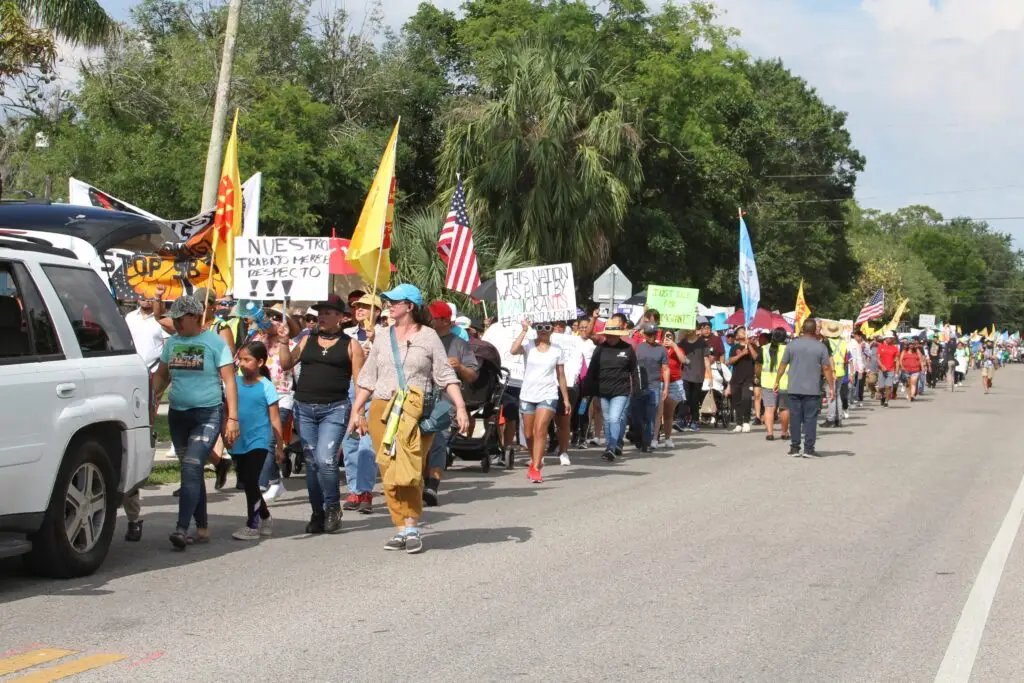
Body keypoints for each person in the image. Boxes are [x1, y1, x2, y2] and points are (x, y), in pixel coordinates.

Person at [349, 284, 469, 554]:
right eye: (387, 301)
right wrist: (356, 410)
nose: (388, 305)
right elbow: (368, 378)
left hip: (415, 412)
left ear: (410, 306)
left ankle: (412, 526)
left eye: (394, 301)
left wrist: (460, 407)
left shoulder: (428, 337)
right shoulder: (382, 336)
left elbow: (445, 376)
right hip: (382, 409)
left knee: (411, 472)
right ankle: (400, 529)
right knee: (389, 472)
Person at [150, 294, 239, 549]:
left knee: (191, 465)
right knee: (192, 469)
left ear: (194, 317)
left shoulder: (214, 342)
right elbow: (162, 376)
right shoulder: (173, 343)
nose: (176, 324)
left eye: (180, 319)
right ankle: (202, 526)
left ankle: (181, 528)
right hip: (179, 415)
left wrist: (232, 417)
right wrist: (152, 399)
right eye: (174, 319)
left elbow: (230, 380)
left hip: (207, 413)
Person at [279, 294, 364, 535]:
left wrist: (359, 413)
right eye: (320, 313)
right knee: (312, 464)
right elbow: (286, 364)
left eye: (328, 312)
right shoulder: (307, 340)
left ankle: (332, 507)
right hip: (304, 408)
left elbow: (360, 382)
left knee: (326, 459)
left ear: (340, 317)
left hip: (335, 408)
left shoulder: (351, 345)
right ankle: (317, 511)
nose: (322, 317)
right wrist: (284, 342)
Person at [122, 283, 169, 542]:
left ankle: (134, 519)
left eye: (150, 296)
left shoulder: (161, 322)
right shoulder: (128, 319)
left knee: (132, 456)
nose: (145, 299)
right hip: (130, 378)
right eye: (142, 295)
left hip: (151, 376)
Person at [229, 341, 285, 541]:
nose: (242, 364)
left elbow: (275, 418)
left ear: (261, 362)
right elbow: (227, 410)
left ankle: (252, 525)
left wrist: (279, 446)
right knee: (247, 482)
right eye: (240, 359)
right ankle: (265, 516)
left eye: (248, 360)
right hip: (238, 440)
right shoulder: (234, 382)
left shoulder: (266, 386)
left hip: (259, 440)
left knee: (252, 480)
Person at [424, 300, 479, 501]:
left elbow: (473, 376)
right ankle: (420, 481)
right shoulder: (421, 339)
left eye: (434, 317)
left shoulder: (459, 344)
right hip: (419, 398)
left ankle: (432, 486)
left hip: (445, 402)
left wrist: (460, 368)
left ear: (445, 321)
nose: (429, 320)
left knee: (438, 440)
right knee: (420, 442)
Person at [511, 318, 570, 482]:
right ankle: (535, 459)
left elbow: (561, 376)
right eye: (539, 327)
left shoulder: (557, 350)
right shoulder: (529, 345)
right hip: (528, 394)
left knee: (540, 429)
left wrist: (566, 399)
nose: (543, 330)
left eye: (547, 327)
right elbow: (513, 350)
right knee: (529, 434)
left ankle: (536, 466)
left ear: (552, 329)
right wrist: (524, 330)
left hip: (548, 394)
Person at [341, 293, 383, 514]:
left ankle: (366, 490)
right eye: (358, 306)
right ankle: (354, 489)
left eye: (366, 307)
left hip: (374, 390)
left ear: (377, 311)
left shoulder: (385, 334)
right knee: (350, 442)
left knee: (367, 442)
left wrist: (375, 342)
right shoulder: (347, 334)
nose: (359, 310)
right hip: (350, 388)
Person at [774, 319, 834, 458]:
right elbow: (826, 368)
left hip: (794, 387)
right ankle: (809, 449)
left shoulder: (792, 345)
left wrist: (777, 381)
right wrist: (831, 386)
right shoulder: (821, 347)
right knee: (810, 419)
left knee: (794, 418)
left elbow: (783, 364)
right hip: (812, 389)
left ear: (802, 329)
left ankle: (795, 448)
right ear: (815, 331)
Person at [256, 304, 297, 504]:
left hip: (282, 396)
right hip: (259, 397)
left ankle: (262, 484)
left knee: (271, 441)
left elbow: (290, 365)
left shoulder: (290, 344)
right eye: (268, 316)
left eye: (276, 317)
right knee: (260, 441)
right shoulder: (257, 339)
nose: (271, 320)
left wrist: (283, 340)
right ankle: (275, 481)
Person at [582, 319, 636, 462]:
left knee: (614, 418)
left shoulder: (627, 348)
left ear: (619, 335)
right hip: (603, 391)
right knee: (607, 420)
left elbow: (634, 371)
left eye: (613, 335)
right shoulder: (600, 348)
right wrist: (587, 388)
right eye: (608, 335)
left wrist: (636, 389)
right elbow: (592, 369)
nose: (610, 338)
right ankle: (611, 445)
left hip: (621, 391)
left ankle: (611, 448)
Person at [631, 323, 668, 452]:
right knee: (638, 414)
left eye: (654, 334)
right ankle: (639, 436)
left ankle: (647, 441)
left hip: (655, 385)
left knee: (651, 415)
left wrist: (666, 388)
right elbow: (632, 367)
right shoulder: (638, 348)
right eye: (649, 334)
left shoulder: (662, 349)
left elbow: (665, 369)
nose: (652, 337)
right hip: (639, 385)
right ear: (644, 335)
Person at [679, 328, 712, 432]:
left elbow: (706, 359)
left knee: (694, 400)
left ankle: (694, 421)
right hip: (685, 374)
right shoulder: (682, 342)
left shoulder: (702, 343)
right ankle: (682, 420)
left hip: (698, 375)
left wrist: (710, 376)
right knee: (685, 398)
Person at [761, 327, 790, 441]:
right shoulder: (789, 349)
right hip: (785, 383)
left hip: (767, 382)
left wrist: (757, 376)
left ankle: (770, 433)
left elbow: (758, 365)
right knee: (784, 409)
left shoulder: (764, 348)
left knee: (769, 408)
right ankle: (784, 432)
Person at [726, 326, 756, 433]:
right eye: (741, 332)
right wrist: (742, 354)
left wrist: (749, 345)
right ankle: (738, 423)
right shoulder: (734, 348)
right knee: (737, 401)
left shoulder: (752, 346)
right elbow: (730, 361)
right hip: (736, 377)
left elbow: (756, 357)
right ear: (737, 336)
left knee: (746, 398)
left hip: (748, 378)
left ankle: (746, 422)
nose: (743, 333)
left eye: (744, 331)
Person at [660, 330, 686, 448]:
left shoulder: (677, 349)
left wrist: (674, 346)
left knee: (668, 413)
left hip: (674, 383)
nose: (668, 339)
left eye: (670, 337)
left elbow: (683, 360)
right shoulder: (658, 348)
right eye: (666, 336)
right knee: (657, 413)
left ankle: (667, 437)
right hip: (659, 382)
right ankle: (654, 437)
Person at [876, 333, 900, 407]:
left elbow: (897, 360)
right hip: (881, 370)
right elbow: (878, 358)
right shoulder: (880, 347)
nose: (890, 339)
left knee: (888, 386)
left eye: (891, 338)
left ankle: (886, 401)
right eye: (888, 338)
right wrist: (882, 366)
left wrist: (897, 372)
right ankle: (883, 396)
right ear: (885, 339)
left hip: (891, 370)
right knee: (881, 388)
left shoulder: (895, 348)